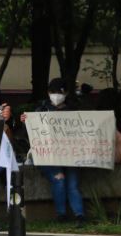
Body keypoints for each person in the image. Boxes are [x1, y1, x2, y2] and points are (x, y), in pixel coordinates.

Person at [21, 78, 85, 227]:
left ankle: (80, 215)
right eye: (53, 92)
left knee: (73, 184)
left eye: (59, 92)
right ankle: (61, 214)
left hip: (70, 155)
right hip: (49, 157)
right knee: (60, 179)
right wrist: (26, 123)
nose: (56, 96)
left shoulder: (73, 111)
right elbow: (31, 133)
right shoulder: (41, 110)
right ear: (48, 93)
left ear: (66, 93)